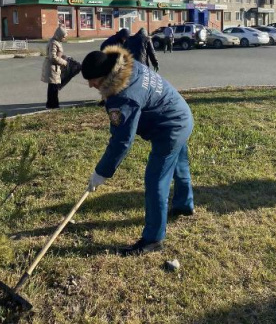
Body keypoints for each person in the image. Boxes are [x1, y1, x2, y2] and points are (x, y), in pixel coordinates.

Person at [81, 45, 194, 256]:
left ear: (105, 75)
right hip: (181, 113)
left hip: (170, 128)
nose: (90, 85)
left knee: (155, 181)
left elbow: (122, 140)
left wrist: (101, 173)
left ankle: (153, 239)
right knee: (179, 163)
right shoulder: (129, 66)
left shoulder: (123, 97)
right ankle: (184, 205)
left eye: (93, 81)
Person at [41, 25, 68, 109]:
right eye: (63, 37)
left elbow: (57, 54)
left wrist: (63, 57)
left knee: (54, 87)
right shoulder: (54, 43)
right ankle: (52, 105)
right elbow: (53, 57)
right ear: (59, 35)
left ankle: (53, 105)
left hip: (54, 68)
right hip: (52, 68)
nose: (64, 38)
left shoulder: (56, 41)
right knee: (53, 88)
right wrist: (64, 62)